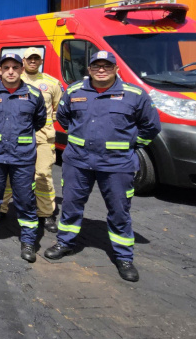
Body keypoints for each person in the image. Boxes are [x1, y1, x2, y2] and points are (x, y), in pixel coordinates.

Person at [44, 51, 161, 282]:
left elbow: (151, 127)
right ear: (89, 69)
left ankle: (123, 256)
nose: (101, 69)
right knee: (71, 204)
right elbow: (64, 118)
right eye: (96, 65)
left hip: (117, 164)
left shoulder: (134, 94)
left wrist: (129, 146)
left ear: (116, 69)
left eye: (106, 65)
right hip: (78, 161)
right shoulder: (75, 91)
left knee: (119, 210)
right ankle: (65, 242)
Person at [0, 53, 47, 262]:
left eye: (15, 67)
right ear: (0, 70)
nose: (11, 71)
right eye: (6, 67)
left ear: (22, 69)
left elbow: (39, 121)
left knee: (25, 200)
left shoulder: (34, 94)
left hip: (22, 157)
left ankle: (29, 241)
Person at [1, 47, 62, 232]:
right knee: (9, 175)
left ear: (41, 61)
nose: (33, 61)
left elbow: (58, 110)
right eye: (29, 59)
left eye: (36, 58)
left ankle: (45, 213)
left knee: (43, 175)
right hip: (17, 137)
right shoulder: (14, 79)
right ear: (23, 62)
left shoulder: (52, 83)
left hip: (43, 137)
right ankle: (1, 209)